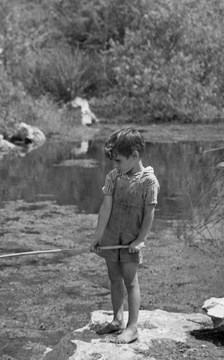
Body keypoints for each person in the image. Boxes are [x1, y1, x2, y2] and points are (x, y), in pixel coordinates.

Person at [90, 127, 160, 344]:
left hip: (130, 240)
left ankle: (132, 327)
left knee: (130, 281)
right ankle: (118, 319)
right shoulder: (113, 177)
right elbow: (105, 209)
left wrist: (140, 240)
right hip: (112, 237)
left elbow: (149, 214)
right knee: (114, 278)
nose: (115, 165)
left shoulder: (148, 181)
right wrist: (98, 238)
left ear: (135, 156)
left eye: (118, 160)